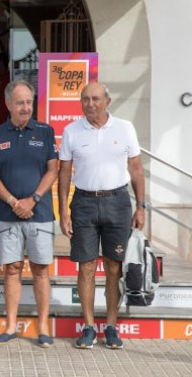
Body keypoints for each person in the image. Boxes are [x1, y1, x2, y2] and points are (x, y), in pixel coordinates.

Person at [58, 82, 146, 349]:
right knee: (85, 267)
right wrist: (62, 210)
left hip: (117, 202)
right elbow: (64, 173)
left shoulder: (125, 128)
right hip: (83, 203)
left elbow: (136, 169)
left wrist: (141, 206)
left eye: (95, 99)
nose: (90, 104)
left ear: (107, 101)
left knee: (113, 268)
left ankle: (110, 326)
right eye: (85, 99)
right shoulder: (71, 130)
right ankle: (87, 327)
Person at [0, 79, 58, 348]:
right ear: (8, 104)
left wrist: (33, 199)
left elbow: (53, 169)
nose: (26, 107)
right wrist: (14, 201)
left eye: (29, 102)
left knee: (40, 270)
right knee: (12, 269)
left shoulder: (46, 132)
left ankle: (43, 327)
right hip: (8, 214)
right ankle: (11, 326)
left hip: (40, 214)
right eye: (20, 102)